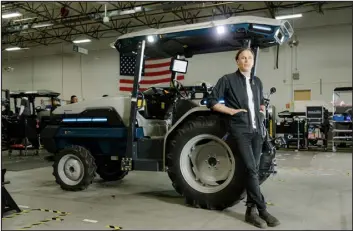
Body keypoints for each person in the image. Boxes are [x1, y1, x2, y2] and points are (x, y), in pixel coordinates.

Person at [207, 48, 280, 229]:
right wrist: (231, 111)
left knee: (252, 170)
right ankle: (262, 210)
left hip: (256, 132)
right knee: (251, 168)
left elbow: (260, 103)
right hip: (240, 130)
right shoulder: (227, 80)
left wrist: (261, 112)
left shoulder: (257, 82)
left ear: (253, 61)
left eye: (249, 58)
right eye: (243, 58)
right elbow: (212, 101)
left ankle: (250, 211)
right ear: (237, 61)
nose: (246, 60)